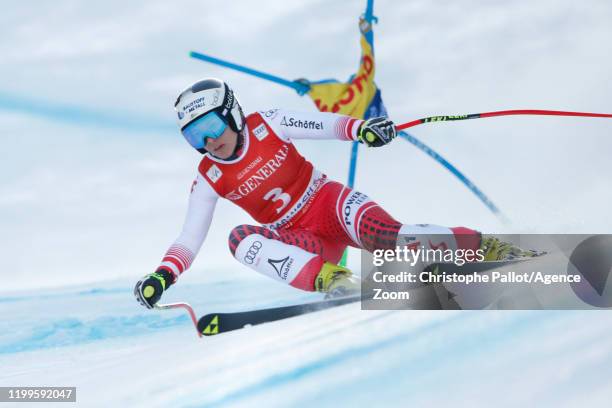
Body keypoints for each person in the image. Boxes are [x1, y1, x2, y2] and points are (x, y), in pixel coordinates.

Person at [134, 78, 533, 309]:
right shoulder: (208, 176)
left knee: (391, 239)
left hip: (329, 204)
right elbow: (190, 237)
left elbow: (323, 124)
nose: (208, 142)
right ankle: (334, 281)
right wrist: (163, 275)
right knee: (239, 240)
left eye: (211, 127)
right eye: (194, 137)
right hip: (302, 241)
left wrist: (362, 129)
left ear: (232, 114)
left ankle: (488, 248)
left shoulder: (268, 124)